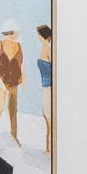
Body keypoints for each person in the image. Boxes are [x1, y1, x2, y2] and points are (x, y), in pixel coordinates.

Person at [0, 20, 26, 142]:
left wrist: (23, 81)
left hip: (14, 83)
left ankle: (14, 135)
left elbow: (21, 64)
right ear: (11, 32)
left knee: (13, 109)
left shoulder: (19, 45)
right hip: (1, 82)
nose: (18, 33)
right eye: (16, 31)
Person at [35, 24, 54, 152]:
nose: (37, 37)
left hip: (49, 88)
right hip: (45, 88)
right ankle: (48, 149)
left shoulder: (48, 49)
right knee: (47, 118)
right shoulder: (44, 47)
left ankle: (50, 149)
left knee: (49, 119)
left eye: (38, 35)